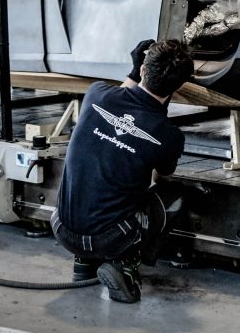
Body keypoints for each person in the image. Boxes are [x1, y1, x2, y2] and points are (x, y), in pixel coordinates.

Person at [51, 39, 193, 303]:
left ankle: (84, 262)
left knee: (96, 179)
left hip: (62, 227)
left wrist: (133, 72)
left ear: (143, 70)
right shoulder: (168, 135)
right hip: (109, 239)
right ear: (179, 86)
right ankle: (125, 264)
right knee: (174, 195)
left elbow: (123, 97)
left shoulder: (96, 94)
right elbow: (161, 180)